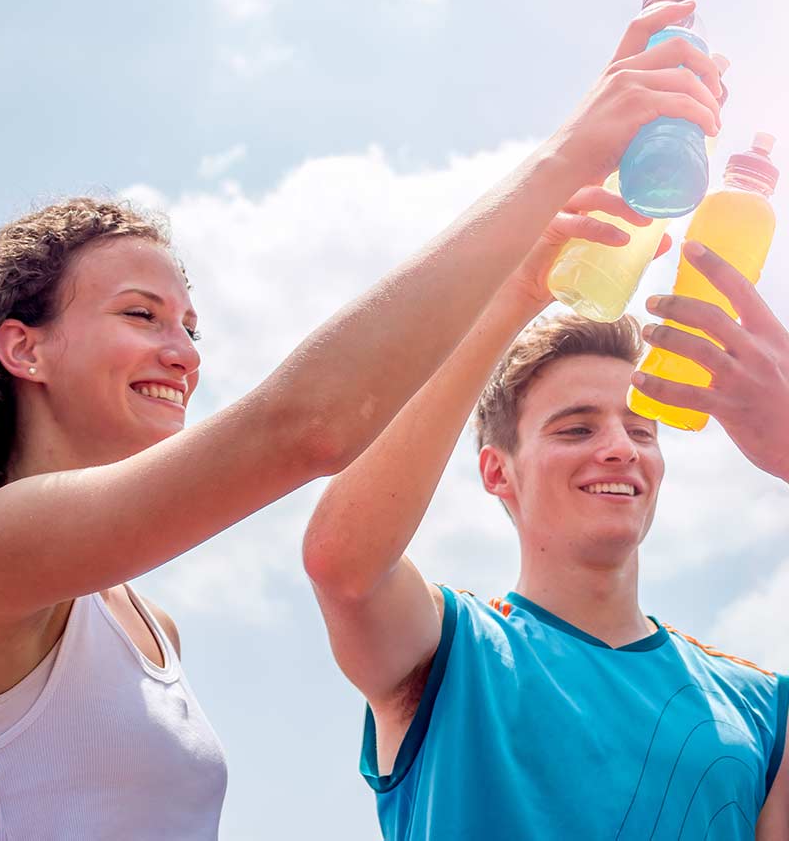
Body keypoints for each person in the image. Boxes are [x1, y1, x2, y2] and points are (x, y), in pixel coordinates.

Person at [0, 0, 721, 839]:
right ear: (23, 347)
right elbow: (310, 425)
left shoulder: (152, 628)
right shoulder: (3, 551)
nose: (184, 352)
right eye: (141, 315)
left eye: (191, 327)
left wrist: (525, 281)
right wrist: (567, 155)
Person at [302, 91, 789, 838]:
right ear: (498, 471)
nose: (619, 447)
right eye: (576, 428)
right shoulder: (449, 651)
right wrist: (517, 296)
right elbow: (342, 565)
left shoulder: (762, 707)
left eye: (641, 429)